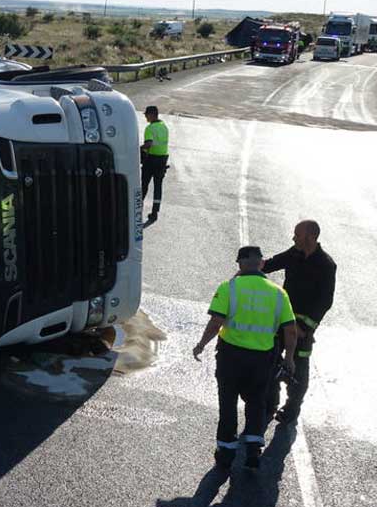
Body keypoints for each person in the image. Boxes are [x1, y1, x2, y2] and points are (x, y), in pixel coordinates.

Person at [193, 246, 298, 471]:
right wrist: (289, 358)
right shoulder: (279, 293)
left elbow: (216, 323)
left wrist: (201, 344)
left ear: (239, 263)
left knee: (228, 403)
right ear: (261, 263)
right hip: (262, 359)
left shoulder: (229, 288)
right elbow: (290, 330)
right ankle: (253, 448)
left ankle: (226, 452)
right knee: (257, 402)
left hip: (231, 356)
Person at [263, 220, 337, 426]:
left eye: (297, 235)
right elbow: (273, 263)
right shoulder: (294, 253)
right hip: (283, 321)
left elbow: (325, 301)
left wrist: (305, 327)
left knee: (298, 367)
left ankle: (292, 407)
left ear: (311, 237)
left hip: (302, 329)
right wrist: (255, 265)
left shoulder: (326, 265)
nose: (293, 238)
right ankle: (270, 403)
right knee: (272, 360)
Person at [140, 105, 170, 223]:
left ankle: (138, 208)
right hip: (162, 160)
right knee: (158, 186)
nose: (146, 117)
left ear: (152, 115)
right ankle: (155, 212)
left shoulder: (150, 128)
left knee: (144, 185)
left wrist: (138, 149)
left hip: (151, 160)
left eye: (147, 115)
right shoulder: (164, 127)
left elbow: (149, 144)